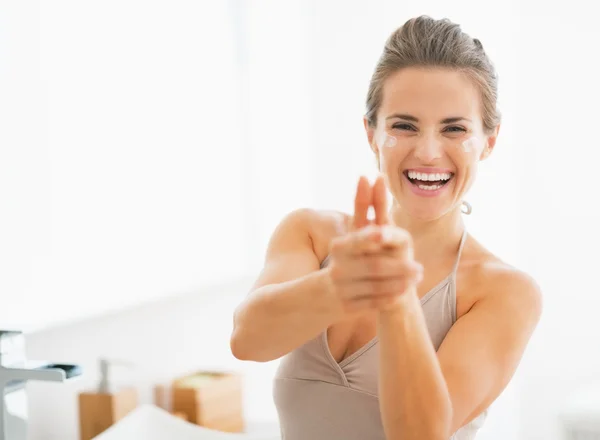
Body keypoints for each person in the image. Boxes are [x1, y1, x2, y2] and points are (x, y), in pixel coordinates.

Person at [230, 15, 542, 440]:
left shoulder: (504, 291)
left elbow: (420, 433)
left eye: (454, 129)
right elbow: (249, 341)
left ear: (488, 141)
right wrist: (340, 284)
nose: (429, 152)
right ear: (371, 133)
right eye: (404, 126)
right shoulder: (310, 234)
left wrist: (394, 296)